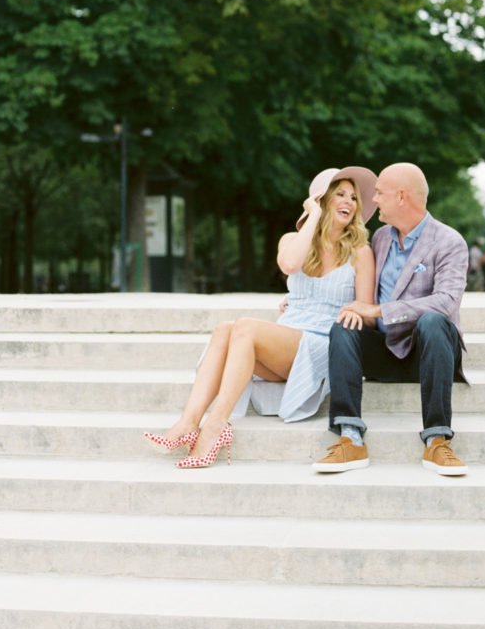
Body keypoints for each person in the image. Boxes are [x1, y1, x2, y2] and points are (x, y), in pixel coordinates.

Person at [144, 166, 377, 468]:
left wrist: (352, 311)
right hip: (285, 338)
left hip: (322, 343)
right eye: (340, 195)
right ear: (322, 200)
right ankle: (188, 422)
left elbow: (368, 315)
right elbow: (291, 264)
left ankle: (215, 426)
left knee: (244, 328)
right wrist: (314, 218)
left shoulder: (360, 251)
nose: (350, 202)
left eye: (354, 197)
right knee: (225, 329)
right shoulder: (291, 240)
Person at [313, 162, 469, 477]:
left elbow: (447, 301)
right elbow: (358, 290)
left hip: (431, 352)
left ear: (401, 197)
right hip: (386, 351)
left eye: (380, 194)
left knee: (433, 320)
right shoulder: (382, 238)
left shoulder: (450, 242)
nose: (373, 201)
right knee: (345, 323)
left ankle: (437, 439)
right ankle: (350, 437)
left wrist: (382, 310)